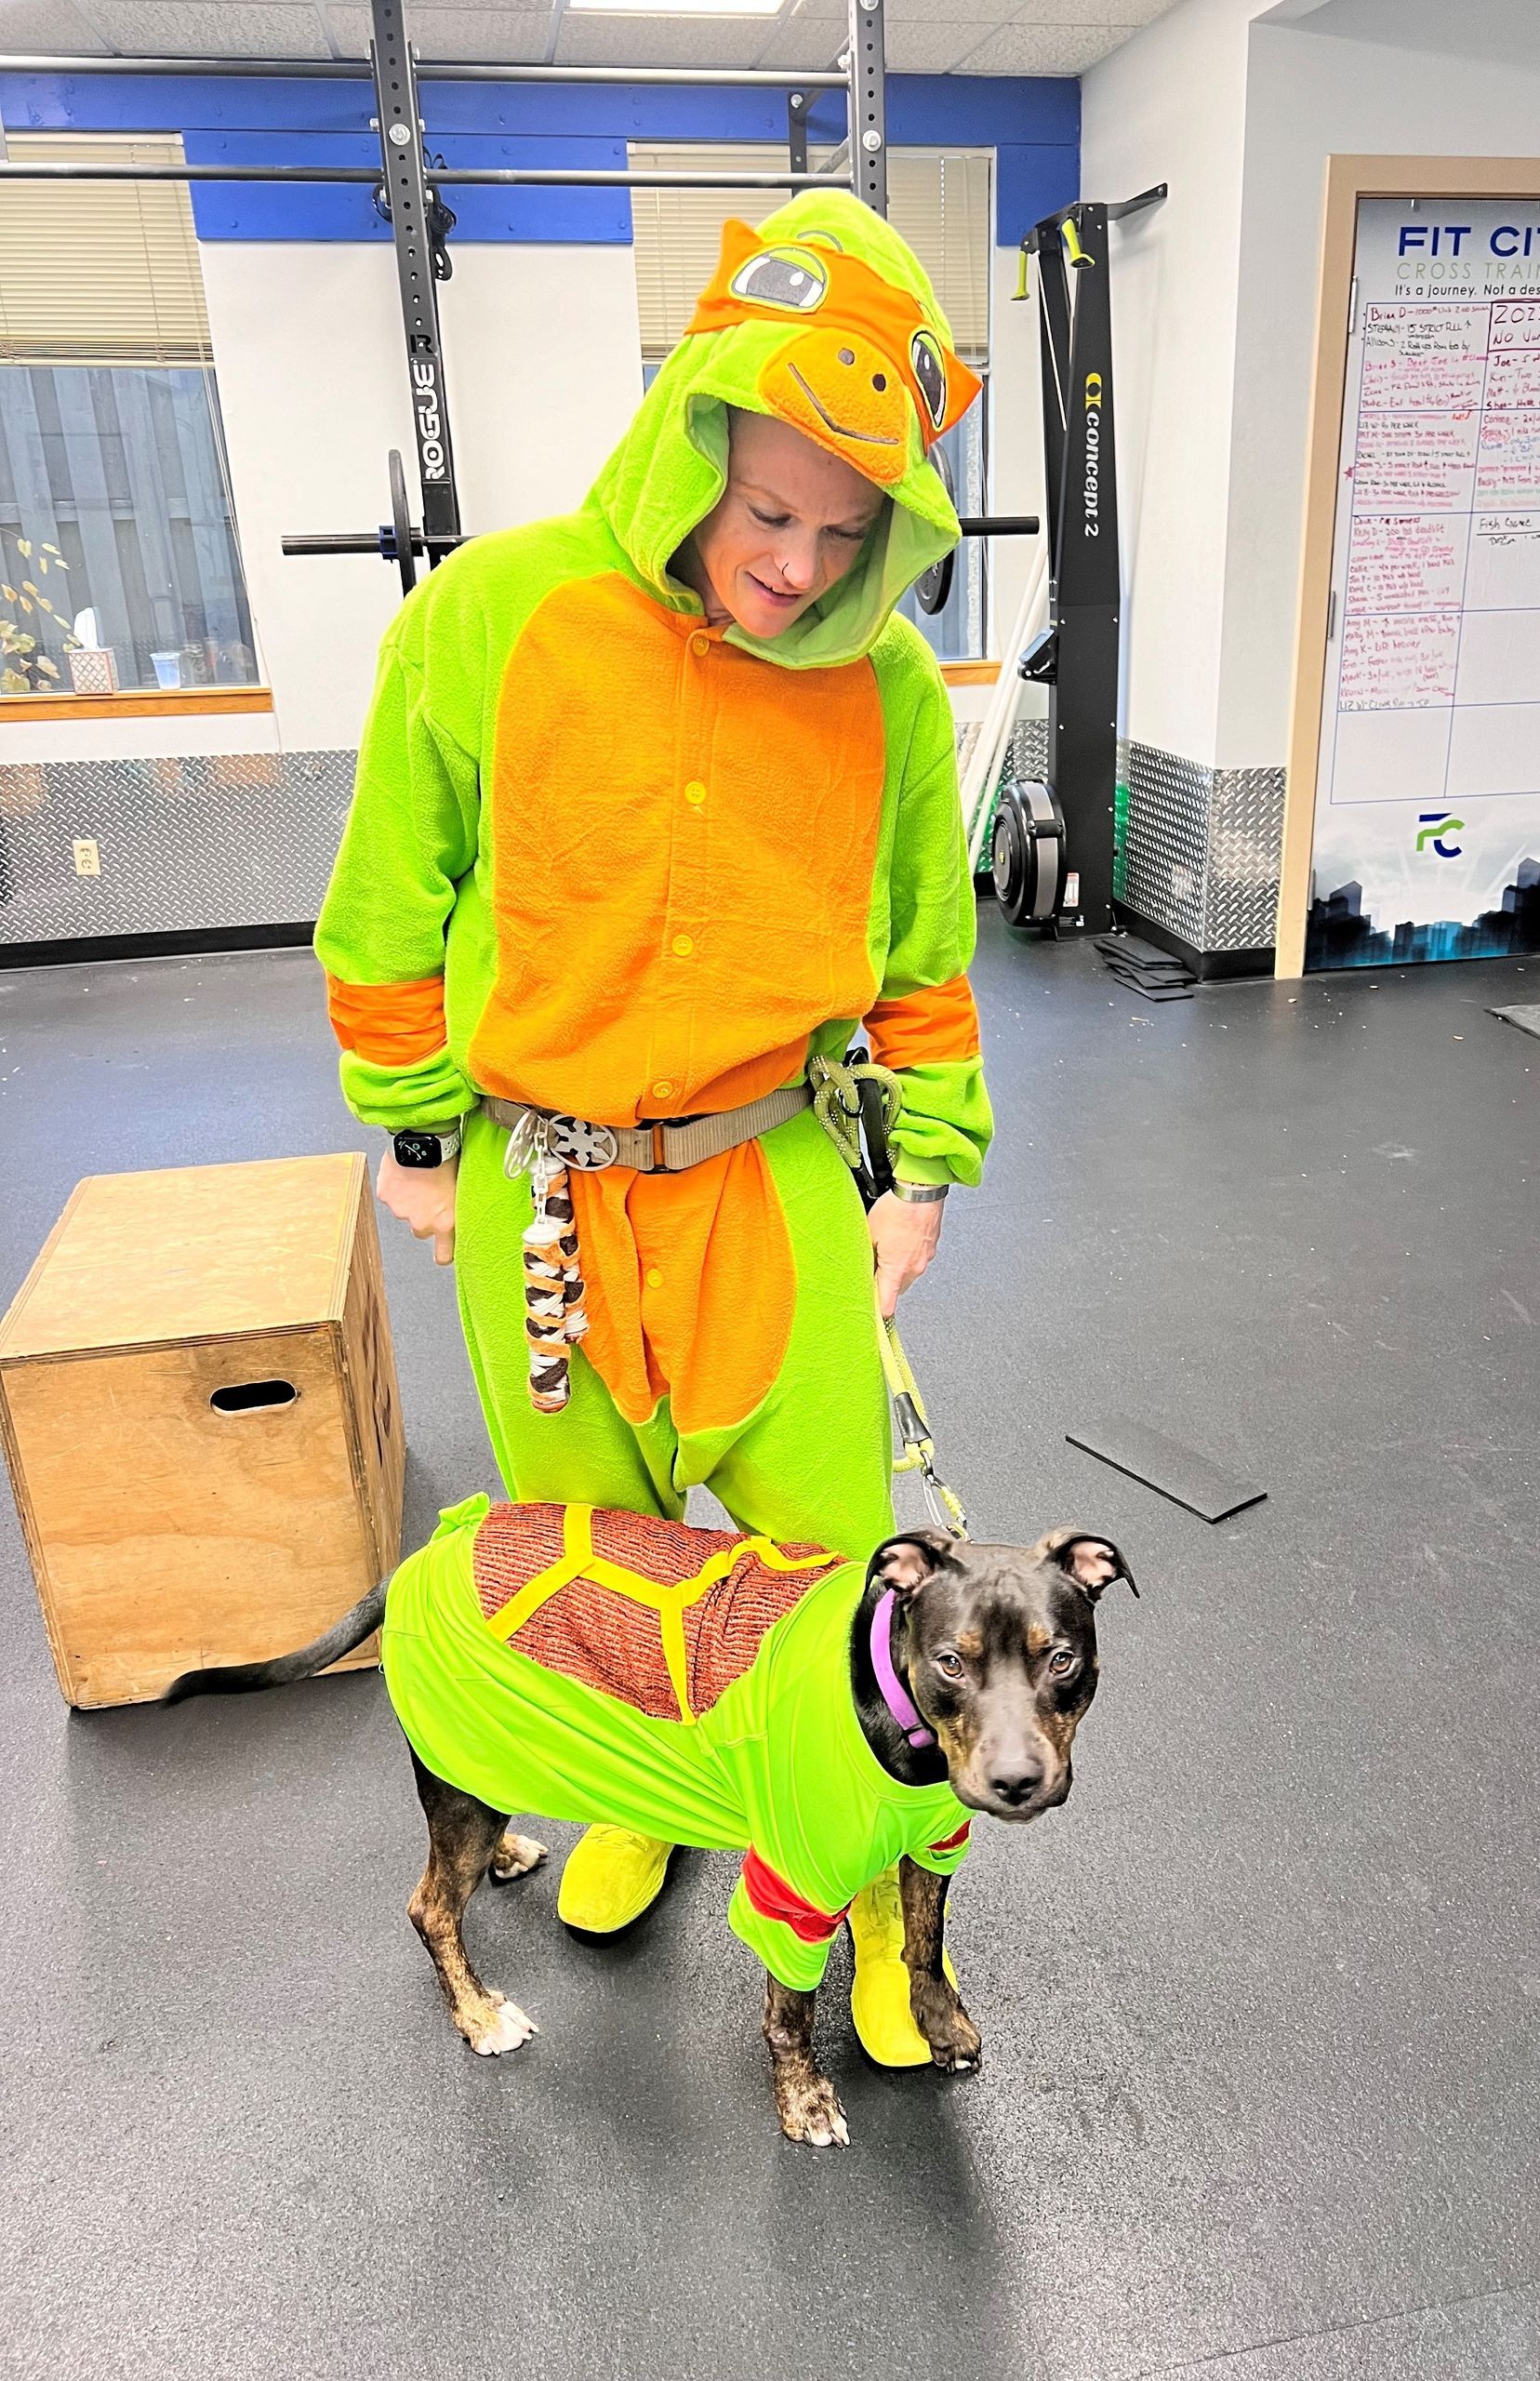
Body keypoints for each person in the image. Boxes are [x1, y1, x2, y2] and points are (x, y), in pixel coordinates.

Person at [314, 193, 993, 2066]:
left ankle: (883, 1919)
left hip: (768, 1176)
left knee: (853, 1581)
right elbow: (386, 900)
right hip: (541, 1184)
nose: (795, 566)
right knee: (595, 1555)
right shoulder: (493, 615)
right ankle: (641, 1799)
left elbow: (927, 955)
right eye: (768, 510)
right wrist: (415, 1137)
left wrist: (923, 1170)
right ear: (694, 433)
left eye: (845, 534)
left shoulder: (886, 691)